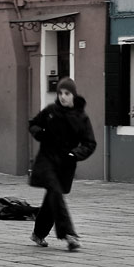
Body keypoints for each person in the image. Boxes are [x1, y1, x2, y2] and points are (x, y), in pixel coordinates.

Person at [28, 77, 96, 251]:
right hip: (46, 160)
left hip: (66, 163)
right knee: (55, 193)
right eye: (60, 93)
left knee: (52, 198)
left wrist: (75, 154)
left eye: (67, 93)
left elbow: (89, 143)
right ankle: (69, 235)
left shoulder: (81, 117)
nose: (63, 97)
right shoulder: (51, 111)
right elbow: (33, 124)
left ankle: (38, 234)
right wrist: (40, 133)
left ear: (73, 95)